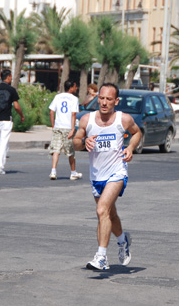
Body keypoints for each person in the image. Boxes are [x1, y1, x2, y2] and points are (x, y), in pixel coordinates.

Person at [73, 83, 142, 270]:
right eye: (101, 98)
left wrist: (130, 147)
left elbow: (137, 133)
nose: (103, 103)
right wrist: (83, 142)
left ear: (116, 101)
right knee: (110, 213)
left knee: (102, 210)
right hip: (96, 175)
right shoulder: (87, 120)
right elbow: (76, 143)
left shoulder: (123, 120)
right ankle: (123, 241)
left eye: (108, 99)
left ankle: (101, 257)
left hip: (117, 172)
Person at [0, 69, 25, 175]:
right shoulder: (11, 90)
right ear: (7, 77)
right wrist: (21, 115)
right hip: (6, 120)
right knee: (3, 143)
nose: (11, 79)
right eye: (11, 77)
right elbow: (16, 106)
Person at [48, 80, 82, 181]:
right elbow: (73, 114)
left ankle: (53, 171)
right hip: (67, 127)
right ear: (71, 87)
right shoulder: (74, 99)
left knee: (56, 150)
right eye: (75, 86)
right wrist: (72, 129)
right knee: (70, 151)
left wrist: (53, 125)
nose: (76, 88)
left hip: (58, 127)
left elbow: (51, 112)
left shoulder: (58, 96)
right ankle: (73, 172)